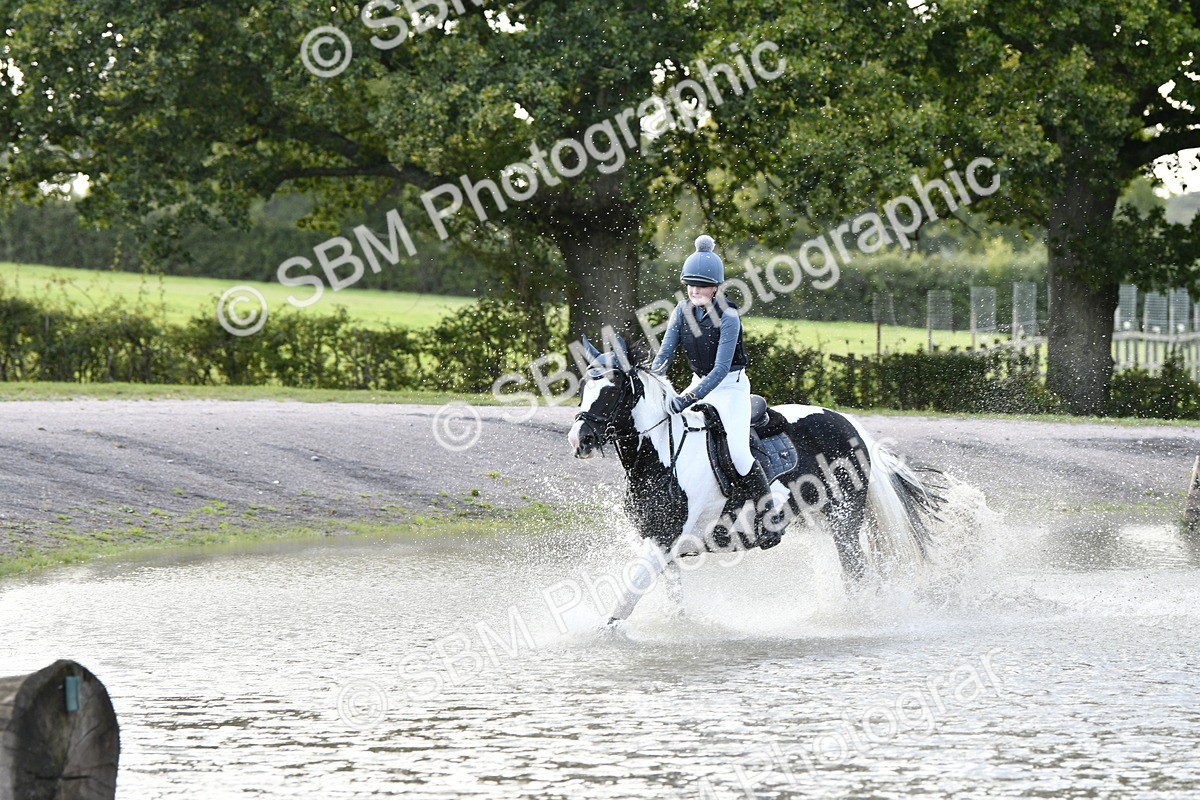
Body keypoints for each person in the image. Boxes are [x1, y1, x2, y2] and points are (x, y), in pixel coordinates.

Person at [650, 234, 784, 548]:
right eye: (691, 284)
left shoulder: (729, 316)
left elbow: (721, 369)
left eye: (702, 284)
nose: (696, 290)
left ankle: (769, 520)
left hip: (731, 389)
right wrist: (651, 382)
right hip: (699, 383)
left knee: (738, 453)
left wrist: (688, 399)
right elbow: (664, 357)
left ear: (716, 286)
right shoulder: (680, 313)